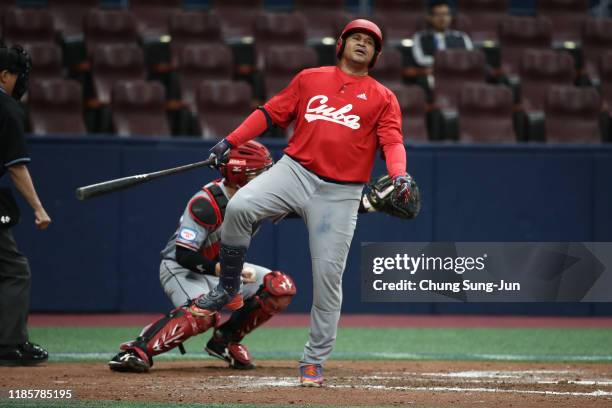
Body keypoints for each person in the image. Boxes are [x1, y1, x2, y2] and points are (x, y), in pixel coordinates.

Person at [192, 19, 414, 387]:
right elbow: (270, 112)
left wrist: (400, 174)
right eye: (356, 38)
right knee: (240, 207)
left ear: (376, 55)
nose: (362, 44)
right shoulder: (310, 79)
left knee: (328, 279)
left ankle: (313, 361)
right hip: (294, 172)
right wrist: (230, 141)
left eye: (370, 42)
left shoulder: (383, 97)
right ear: (341, 45)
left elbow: (392, 142)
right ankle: (228, 286)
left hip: (341, 194)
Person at [109, 141, 297, 373]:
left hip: (226, 267)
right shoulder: (206, 204)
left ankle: (224, 341)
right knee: (203, 314)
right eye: (258, 172)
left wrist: (353, 203)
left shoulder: (260, 197)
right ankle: (137, 350)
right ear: (239, 175)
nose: (266, 177)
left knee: (278, 287)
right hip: (182, 269)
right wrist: (225, 271)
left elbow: (300, 208)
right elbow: (185, 255)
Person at [0, 44, 51, 366]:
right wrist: (39, 208)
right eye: (17, 74)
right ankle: (10, 343)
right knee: (15, 271)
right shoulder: (5, 106)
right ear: (5, 75)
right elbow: (16, 166)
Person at [412, 0, 474, 75]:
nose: (443, 18)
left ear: (451, 16)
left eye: (446, 14)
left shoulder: (461, 37)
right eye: (438, 15)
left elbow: (469, 57)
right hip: (433, 73)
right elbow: (420, 59)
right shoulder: (421, 37)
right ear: (430, 17)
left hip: (458, 72)